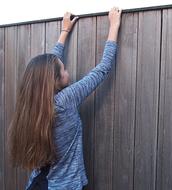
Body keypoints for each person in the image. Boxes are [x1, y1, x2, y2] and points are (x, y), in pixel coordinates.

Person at [7, 6, 122, 190]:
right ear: (54, 80)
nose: (67, 70)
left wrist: (64, 31)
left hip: (37, 184)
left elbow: (49, 66)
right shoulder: (65, 101)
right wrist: (114, 26)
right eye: (64, 69)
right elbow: (102, 69)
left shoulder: (32, 106)